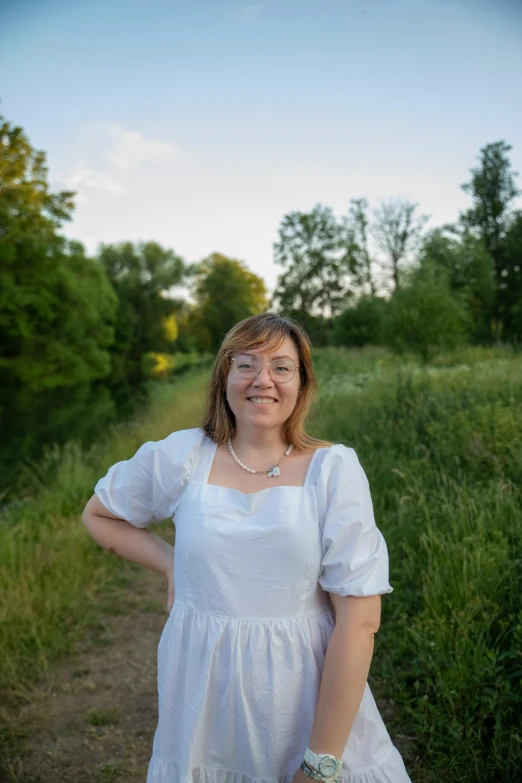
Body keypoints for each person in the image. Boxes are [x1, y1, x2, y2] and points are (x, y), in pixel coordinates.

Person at [82, 312, 411, 783]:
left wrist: (320, 764)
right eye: (246, 364)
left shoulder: (333, 471)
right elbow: (99, 514)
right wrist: (173, 564)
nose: (264, 380)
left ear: (302, 382)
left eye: (281, 366)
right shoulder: (184, 455)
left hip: (306, 708)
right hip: (204, 711)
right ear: (225, 376)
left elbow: (359, 623)